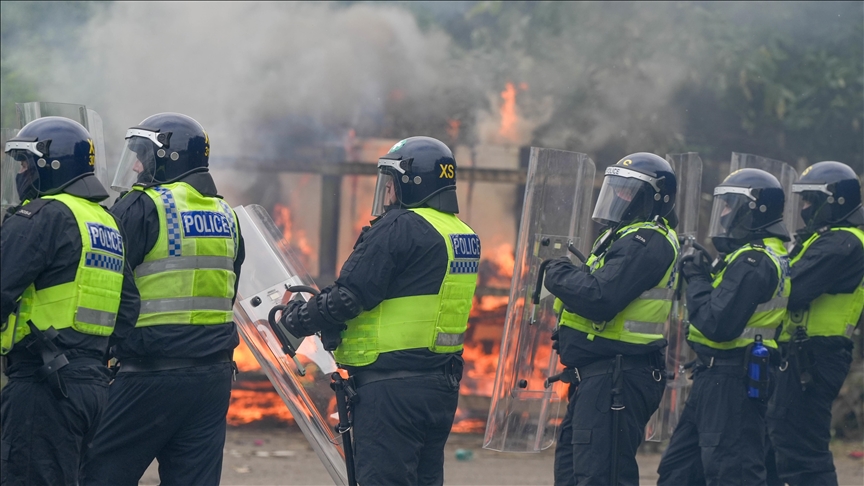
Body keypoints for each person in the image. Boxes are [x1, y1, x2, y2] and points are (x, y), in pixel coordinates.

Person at [276, 136, 479, 485]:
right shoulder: (461, 233)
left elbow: (349, 297)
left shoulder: (400, 227)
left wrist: (297, 319)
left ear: (412, 181)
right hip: (439, 385)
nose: (388, 193)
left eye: (392, 182)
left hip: (391, 391)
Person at [81, 113, 244, 486]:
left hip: (149, 373)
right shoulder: (227, 215)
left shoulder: (141, 206)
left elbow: (107, 286)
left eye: (143, 155)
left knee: (99, 473)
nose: (136, 164)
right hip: (212, 378)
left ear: (169, 158)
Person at [0, 117, 136, 486]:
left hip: (42, 387)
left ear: (50, 165)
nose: (22, 172)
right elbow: (127, 310)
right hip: (91, 387)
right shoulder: (106, 222)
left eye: (26, 163)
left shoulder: (42, 217)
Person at [543, 153, 679, 486]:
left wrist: (556, 273)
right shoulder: (623, 237)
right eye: (615, 188)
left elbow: (601, 297)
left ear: (652, 198)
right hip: (598, 377)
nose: (618, 197)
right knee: (574, 474)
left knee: (601, 478)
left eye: (628, 191)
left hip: (618, 377)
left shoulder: (647, 241)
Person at [657, 168, 791, 486]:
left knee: (733, 472)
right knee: (678, 472)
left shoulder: (754, 261)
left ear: (753, 209)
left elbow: (718, 324)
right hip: (713, 376)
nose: (724, 214)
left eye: (731, 206)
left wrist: (698, 278)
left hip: (733, 379)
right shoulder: (745, 256)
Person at [766, 161, 864, 486]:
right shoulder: (820, 240)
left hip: (816, 355)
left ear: (834, 200)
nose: (804, 208)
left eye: (810, 200)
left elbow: (794, 289)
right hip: (798, 353)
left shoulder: (844, 243)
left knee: (802, 451)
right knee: (779, 442)